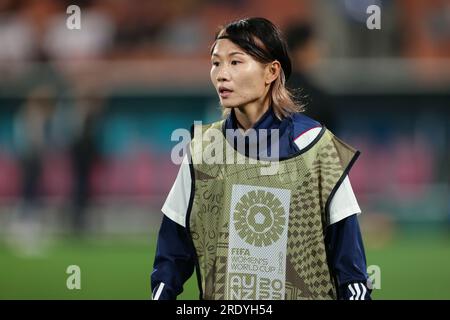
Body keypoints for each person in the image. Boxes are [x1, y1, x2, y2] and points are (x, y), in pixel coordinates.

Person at [151, 17, 371, 300]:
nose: (221, 74)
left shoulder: (316, 146)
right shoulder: (202, 151)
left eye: (235, 62)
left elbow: (351, 270)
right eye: (216, 63)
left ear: (271, 71)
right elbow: (170, 259)